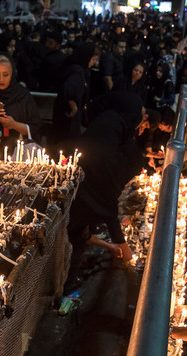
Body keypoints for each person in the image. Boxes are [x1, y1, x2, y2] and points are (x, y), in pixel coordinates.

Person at [65, 92, 145, 292]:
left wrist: (113, 246)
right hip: (74, 192)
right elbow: (107, 207)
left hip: (79, 175)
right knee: (73, 239)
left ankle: (67, 283)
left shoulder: (111, 124)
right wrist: (123, 246)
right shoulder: (111, 163)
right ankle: (64, 289)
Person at [0, 55, 42, 156]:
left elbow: (36, 127)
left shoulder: (22, 95)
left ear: (12, 74)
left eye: (5, 75)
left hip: (18, 152)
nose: (1, 79)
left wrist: (14, 124)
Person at [50, 43, 98, 147]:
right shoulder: (77, 71)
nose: (94, 63)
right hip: (68, 115)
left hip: (64, 111)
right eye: (93, 60)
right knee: (67, 143)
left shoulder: (75, 68)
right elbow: (70, 87)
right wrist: (73, 105)